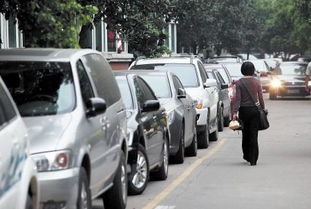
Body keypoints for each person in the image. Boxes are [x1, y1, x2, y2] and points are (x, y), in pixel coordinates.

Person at [232, 62, 265, 166]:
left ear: (242, 70)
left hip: (244, 111)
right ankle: (253, 159)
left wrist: (234, 112)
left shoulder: (239, 83)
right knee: (254, 135)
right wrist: (262, 109)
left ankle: (246, 155)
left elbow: (237, 99)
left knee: (245, 134)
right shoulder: (256, 82)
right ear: (253, 70)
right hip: (255, 110)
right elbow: (260, 97)